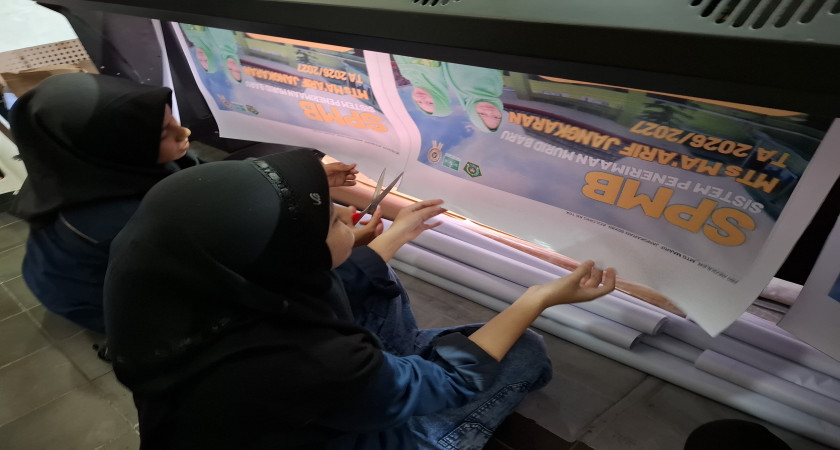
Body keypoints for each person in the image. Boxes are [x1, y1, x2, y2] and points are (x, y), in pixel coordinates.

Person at [104, 149, 616, 449]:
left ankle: (391, 377)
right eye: (333, 220)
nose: (351, 216)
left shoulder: (178, 287)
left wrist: (396, 232)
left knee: (370, 279)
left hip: (291, 410)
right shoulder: (301, 360)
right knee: (522, 351)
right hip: (343, 432)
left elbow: (341, 277)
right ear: (292, 258)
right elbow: (454, 381)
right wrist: (535, 299)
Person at [8, 73, 198, 333]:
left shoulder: (73, 164)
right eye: (163, 132)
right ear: (114, 144)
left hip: (57, 271)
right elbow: (199, 269)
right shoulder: (120, 221)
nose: (184, 131)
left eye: (170, 118)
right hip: (96, 299)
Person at [442, 62, 505, 133]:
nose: (489, 111)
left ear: (473, 112)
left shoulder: (462, 86)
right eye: (496, 117)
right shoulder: (496, 90)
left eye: (482, 114)